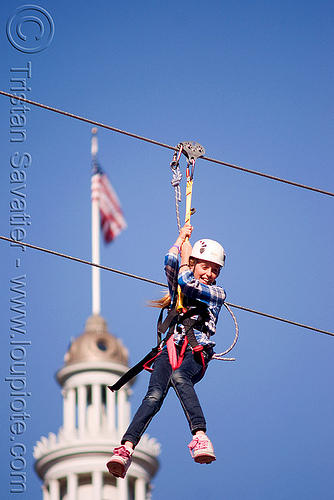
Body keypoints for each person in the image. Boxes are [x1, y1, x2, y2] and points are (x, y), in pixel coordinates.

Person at [107, 223, 226, 479]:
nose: (210, 273)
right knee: (153, 396)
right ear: (196, 263)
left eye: (215, 270)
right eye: (205, 267)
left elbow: (186, 279)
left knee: (180, 377)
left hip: (196, 351)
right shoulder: (180, 288)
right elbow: (170, 264)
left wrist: (186, 260)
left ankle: (201, 437)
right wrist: (180, 239)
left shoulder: (216, 292)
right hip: (170, 347)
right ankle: (126, 448)